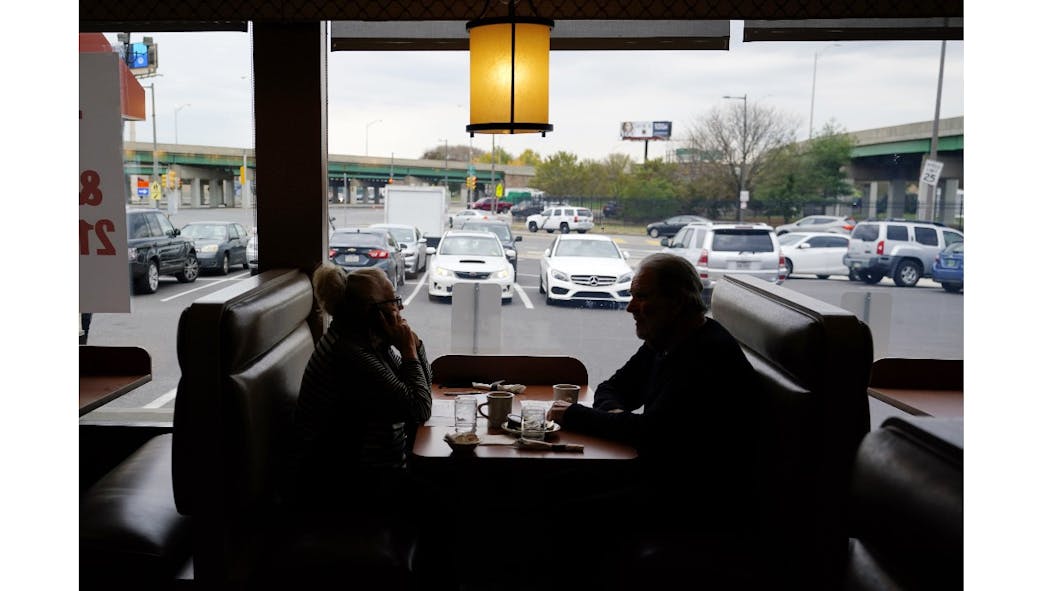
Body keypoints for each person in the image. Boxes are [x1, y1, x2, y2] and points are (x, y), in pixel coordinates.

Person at [548, 253, 761, 534]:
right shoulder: (666, 340)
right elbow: (611, 388)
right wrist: (619, 417)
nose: (630, 307)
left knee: (563, 509)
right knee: (552, 480)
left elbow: (650, 433)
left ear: (678, 303)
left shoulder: (706, 356)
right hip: (662, 473)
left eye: (642, 297)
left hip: (696, 497)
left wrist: (573, 414)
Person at [290, 263, 432, 509]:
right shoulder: (350, 354)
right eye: (393, 302)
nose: (401, 308)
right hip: (349, 485)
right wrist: (409, 350)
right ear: (372, 313)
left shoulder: (370, 344)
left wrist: (415, 347)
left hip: (372, 473)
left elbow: (421, 391)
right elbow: (420, 408)